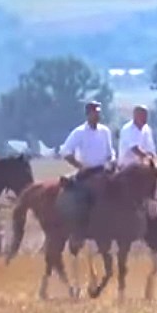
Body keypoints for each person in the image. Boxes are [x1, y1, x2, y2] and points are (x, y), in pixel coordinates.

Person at [59, 101, 116, 238]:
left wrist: (112, 160)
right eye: (94, 113)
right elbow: (65, 152)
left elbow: (110, 151)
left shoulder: (105, 131)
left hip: (104, 171)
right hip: (87, 173)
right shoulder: (79, 132)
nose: (97, 115)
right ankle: (79, 232)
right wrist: (80, 166)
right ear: (88, 114)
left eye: (98, 112)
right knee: (82, 199)